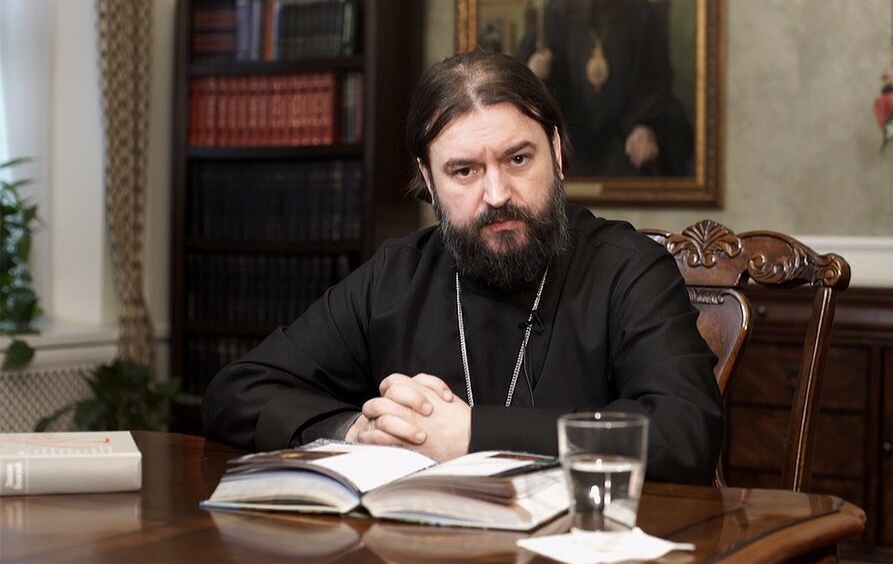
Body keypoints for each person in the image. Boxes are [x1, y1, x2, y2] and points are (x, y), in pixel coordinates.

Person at [202, 49, 723, 485]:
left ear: (557, 153)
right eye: (464, 171)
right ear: (429, 181)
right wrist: (353, 431)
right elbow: (237, 392)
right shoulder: (395, 277)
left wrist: (472, 434)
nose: (496, 194)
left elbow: (684, 433)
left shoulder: (629, 269)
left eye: (518, 159)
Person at [517, 0, 693, 176]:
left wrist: (645, 125)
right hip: (568, 143)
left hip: (623, 140)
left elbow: (654, 83)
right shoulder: (553, 16)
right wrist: (535, 73)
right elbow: (524, 88)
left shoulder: (640, 15)